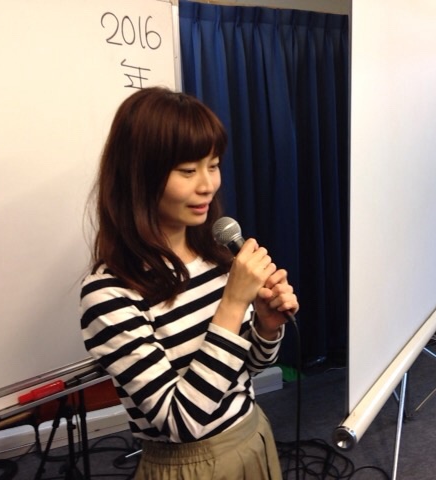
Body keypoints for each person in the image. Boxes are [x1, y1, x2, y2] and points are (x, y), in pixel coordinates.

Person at [80, 87, 299, 479]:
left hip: (252, 435)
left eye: (213, 165)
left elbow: (245, 370)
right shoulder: (109, 294)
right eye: (187, 171)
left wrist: (266, 328)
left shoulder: (218, 257)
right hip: (187, 466)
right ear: (139, 176)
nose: (207, 185)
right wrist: (233, 305)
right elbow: (181, 421)